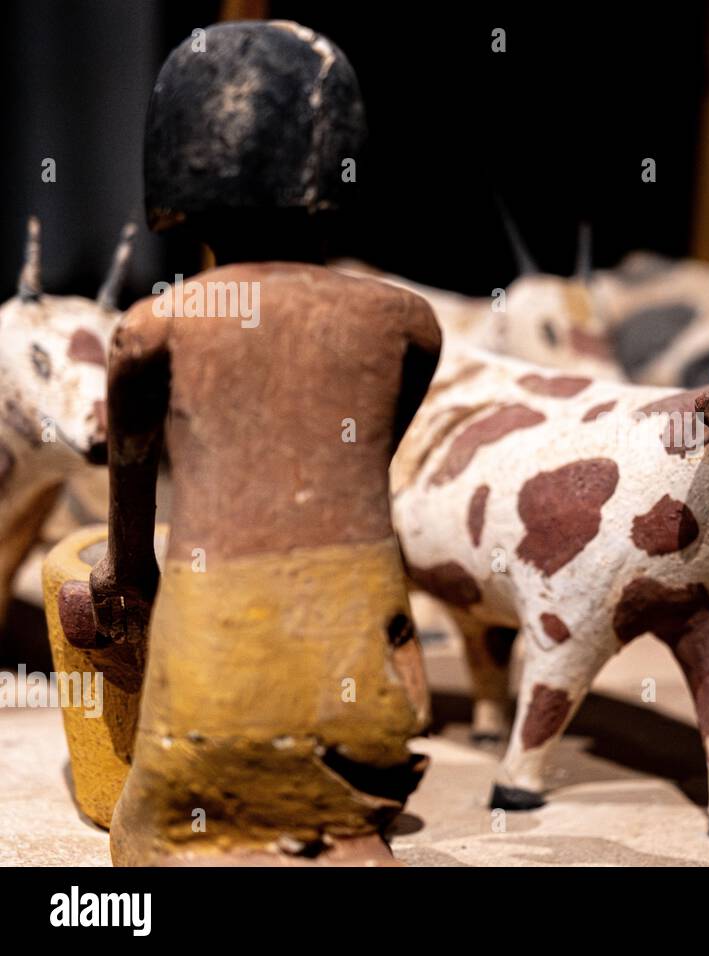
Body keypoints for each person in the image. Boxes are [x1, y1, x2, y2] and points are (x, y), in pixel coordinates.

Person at [90, 21, 442, 865]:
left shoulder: (153, 329)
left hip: (212, 671)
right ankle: (342, 820)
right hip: (363, 662)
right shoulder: (408, 323)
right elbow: (367, 457)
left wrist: (127, 589)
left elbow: (131, 524)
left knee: (150, 838)